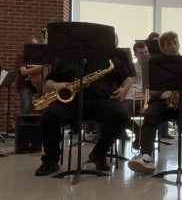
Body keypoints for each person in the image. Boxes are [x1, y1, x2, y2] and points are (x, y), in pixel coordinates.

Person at [34, 42, 132, 176]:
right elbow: (48, 82)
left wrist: (125, 89)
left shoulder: (110, 59)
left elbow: (127, 77)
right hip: (71, 102)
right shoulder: (67, 58)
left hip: (100, 100)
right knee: (48, 117)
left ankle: (99, 153)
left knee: (122, 116)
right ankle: (50, 161)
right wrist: (58, 86)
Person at [127, 32, 182, 174]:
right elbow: (151, 93)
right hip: (162, 101)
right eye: (169, 44)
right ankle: (145, 156)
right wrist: (166, 88)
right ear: (162, 48)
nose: (173, 46)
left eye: (175, 42)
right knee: (150, 114)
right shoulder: (155, 65)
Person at [15, 37, 43, 115]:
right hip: (25, 85)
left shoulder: (41, 58)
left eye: (37, 46)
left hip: (40, 86)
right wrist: (39, 68)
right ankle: (23, 125)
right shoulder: (22, 56)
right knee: (26, 107)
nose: (35, 48)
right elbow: (23, 72)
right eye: (33, 45)